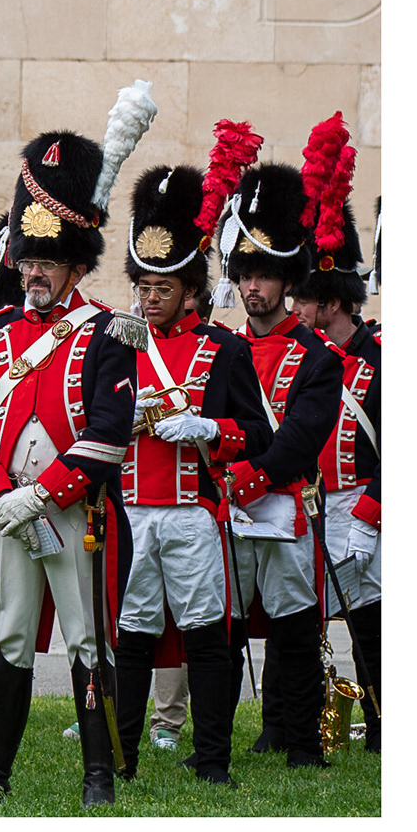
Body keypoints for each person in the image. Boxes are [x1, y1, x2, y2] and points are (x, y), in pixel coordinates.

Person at [0, 102, 154, 808]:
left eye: (48, 263)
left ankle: (98, 776)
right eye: (29, 260)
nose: (34, 273)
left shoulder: (107, 333)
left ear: (76, 267)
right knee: (7, 637)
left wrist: (41, 495)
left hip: (74, 515)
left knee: (87, 640)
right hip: (8, 512)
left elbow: (108, 433)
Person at [110, 153, 274, 786]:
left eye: (163, 290)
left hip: (191, 515)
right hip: (130, 513)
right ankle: (122, 758)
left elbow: (258, 433)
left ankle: (212, 762)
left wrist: (210, 429)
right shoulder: (117, 346)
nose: (150, 300)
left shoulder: (224, 349)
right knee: (131, 638)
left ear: (191, 291)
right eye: (144, 289)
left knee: (206, 637)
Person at [213, 154, 343, 769]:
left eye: (264, 276)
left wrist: (254, 474)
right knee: (226, 627)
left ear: (286, 281)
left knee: (293, 629)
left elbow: (302, 436)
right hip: (232, 502)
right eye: (245, 275)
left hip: (285, 501)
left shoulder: (317, 356)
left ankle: (303, 743)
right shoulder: (224, 349)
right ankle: (220, 743)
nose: (252, 288)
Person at [286, 117, 380, 755]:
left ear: (333, 301)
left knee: (372, 625)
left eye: (306, 298)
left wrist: (369, 516)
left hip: (364, 507)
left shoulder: (381, 360)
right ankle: (294, 725)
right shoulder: (304, 357)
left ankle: (383, 725)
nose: (296, 307)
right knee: (299, 622)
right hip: (312, 504)